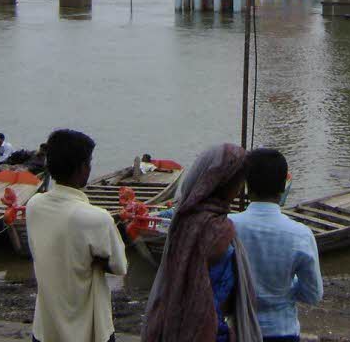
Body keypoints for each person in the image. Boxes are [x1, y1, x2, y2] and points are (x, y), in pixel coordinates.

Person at [143, 143, 261, 342]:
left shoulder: (181, 221)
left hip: (171, 329)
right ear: (225, 183)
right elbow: (229, 299)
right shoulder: (220, 231)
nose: (241, 189)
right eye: (239, 182)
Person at [26, 129, 126, 342]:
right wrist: (97, 260)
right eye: (88, 162)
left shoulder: (34, 206)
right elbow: (119, 266)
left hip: (47, 328)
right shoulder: (97, 218)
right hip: (90, 331)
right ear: (82, 168)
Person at [230, 148, 322, 342]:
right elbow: (313, 294)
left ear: (247, 185)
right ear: (283, 187)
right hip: (283, 330)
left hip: (239, 330)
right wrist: (284, 290)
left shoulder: (228, 227)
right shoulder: (300, 234)